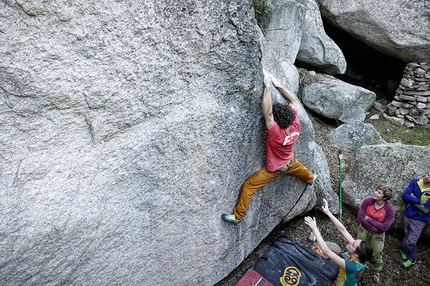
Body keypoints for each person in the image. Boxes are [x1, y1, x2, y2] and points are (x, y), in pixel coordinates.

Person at [221, 71, 316, 225]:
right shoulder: (295, 123)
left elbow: (267, 111)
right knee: (301, 171)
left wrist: (268, 87)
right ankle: (311, 178)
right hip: (290, 161)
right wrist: (278, 85)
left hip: (276, 168)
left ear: (277, 121)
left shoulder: (276, 132)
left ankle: (238, 217)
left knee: (248, 186)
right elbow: (293, 101)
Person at [305, 199, 374, 286]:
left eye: (353, 244)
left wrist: (315, 229)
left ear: (356, 254)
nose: (351, 242)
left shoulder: (351, 266)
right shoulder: (363, 257)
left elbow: (326, 251)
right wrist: (328, 212)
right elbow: (343, 230)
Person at [356, 185, 395, 284]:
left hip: (378, 234)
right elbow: (360, 217)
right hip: (363, 229)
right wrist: (377, 225)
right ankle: (358, 263)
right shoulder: (368, 201)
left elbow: (385, 228)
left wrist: (369, 219)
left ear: (384, 198)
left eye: (379, 193)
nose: (375, 193)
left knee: (376, 253)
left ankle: (376, 270)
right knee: (359, 247)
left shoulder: (390, 210)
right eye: (376, 190)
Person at [399, 171, 430, 268]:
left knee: (411, 241)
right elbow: (404, 195)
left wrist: (411, 198)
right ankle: (404, 251)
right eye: (428, 174)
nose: (427, 177)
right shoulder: (416, 182)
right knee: (408, 236)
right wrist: (420, 201)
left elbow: (426, 209)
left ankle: (412, 258)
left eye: (429, 177)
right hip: (408, 215)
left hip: (420, 219)